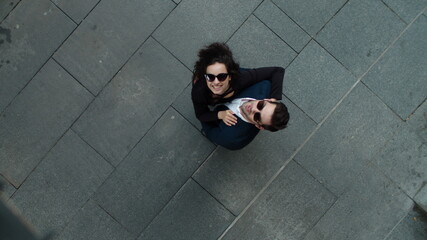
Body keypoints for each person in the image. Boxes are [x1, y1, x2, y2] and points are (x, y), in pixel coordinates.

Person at [191, 42, 289, 149]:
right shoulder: (261, 86)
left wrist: (218, 115)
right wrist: (274, 98)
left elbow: (209, 130)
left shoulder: (232, 139)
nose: (253, 109)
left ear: (259, 126)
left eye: (257, 116)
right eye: (261, 105)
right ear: (267, 99)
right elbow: (277, 71)